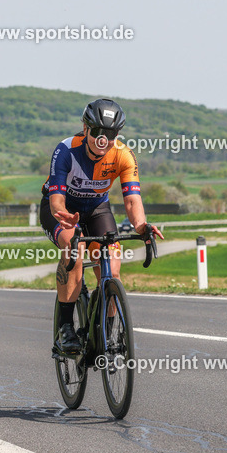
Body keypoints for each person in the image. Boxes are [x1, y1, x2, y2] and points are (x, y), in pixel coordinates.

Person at [40, 98, 163, 353]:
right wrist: (64, 216)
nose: (103, 140)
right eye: (97, 132)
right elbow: (56, 201)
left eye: (110, 134)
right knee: (73, 250)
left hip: (97, 209)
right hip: (63, 211)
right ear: (85, 129)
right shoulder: (66, 150)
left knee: (112, 269)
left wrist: (141, 226)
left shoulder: (124, 155)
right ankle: (65, 329)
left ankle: (104, 331)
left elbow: (131, 200)